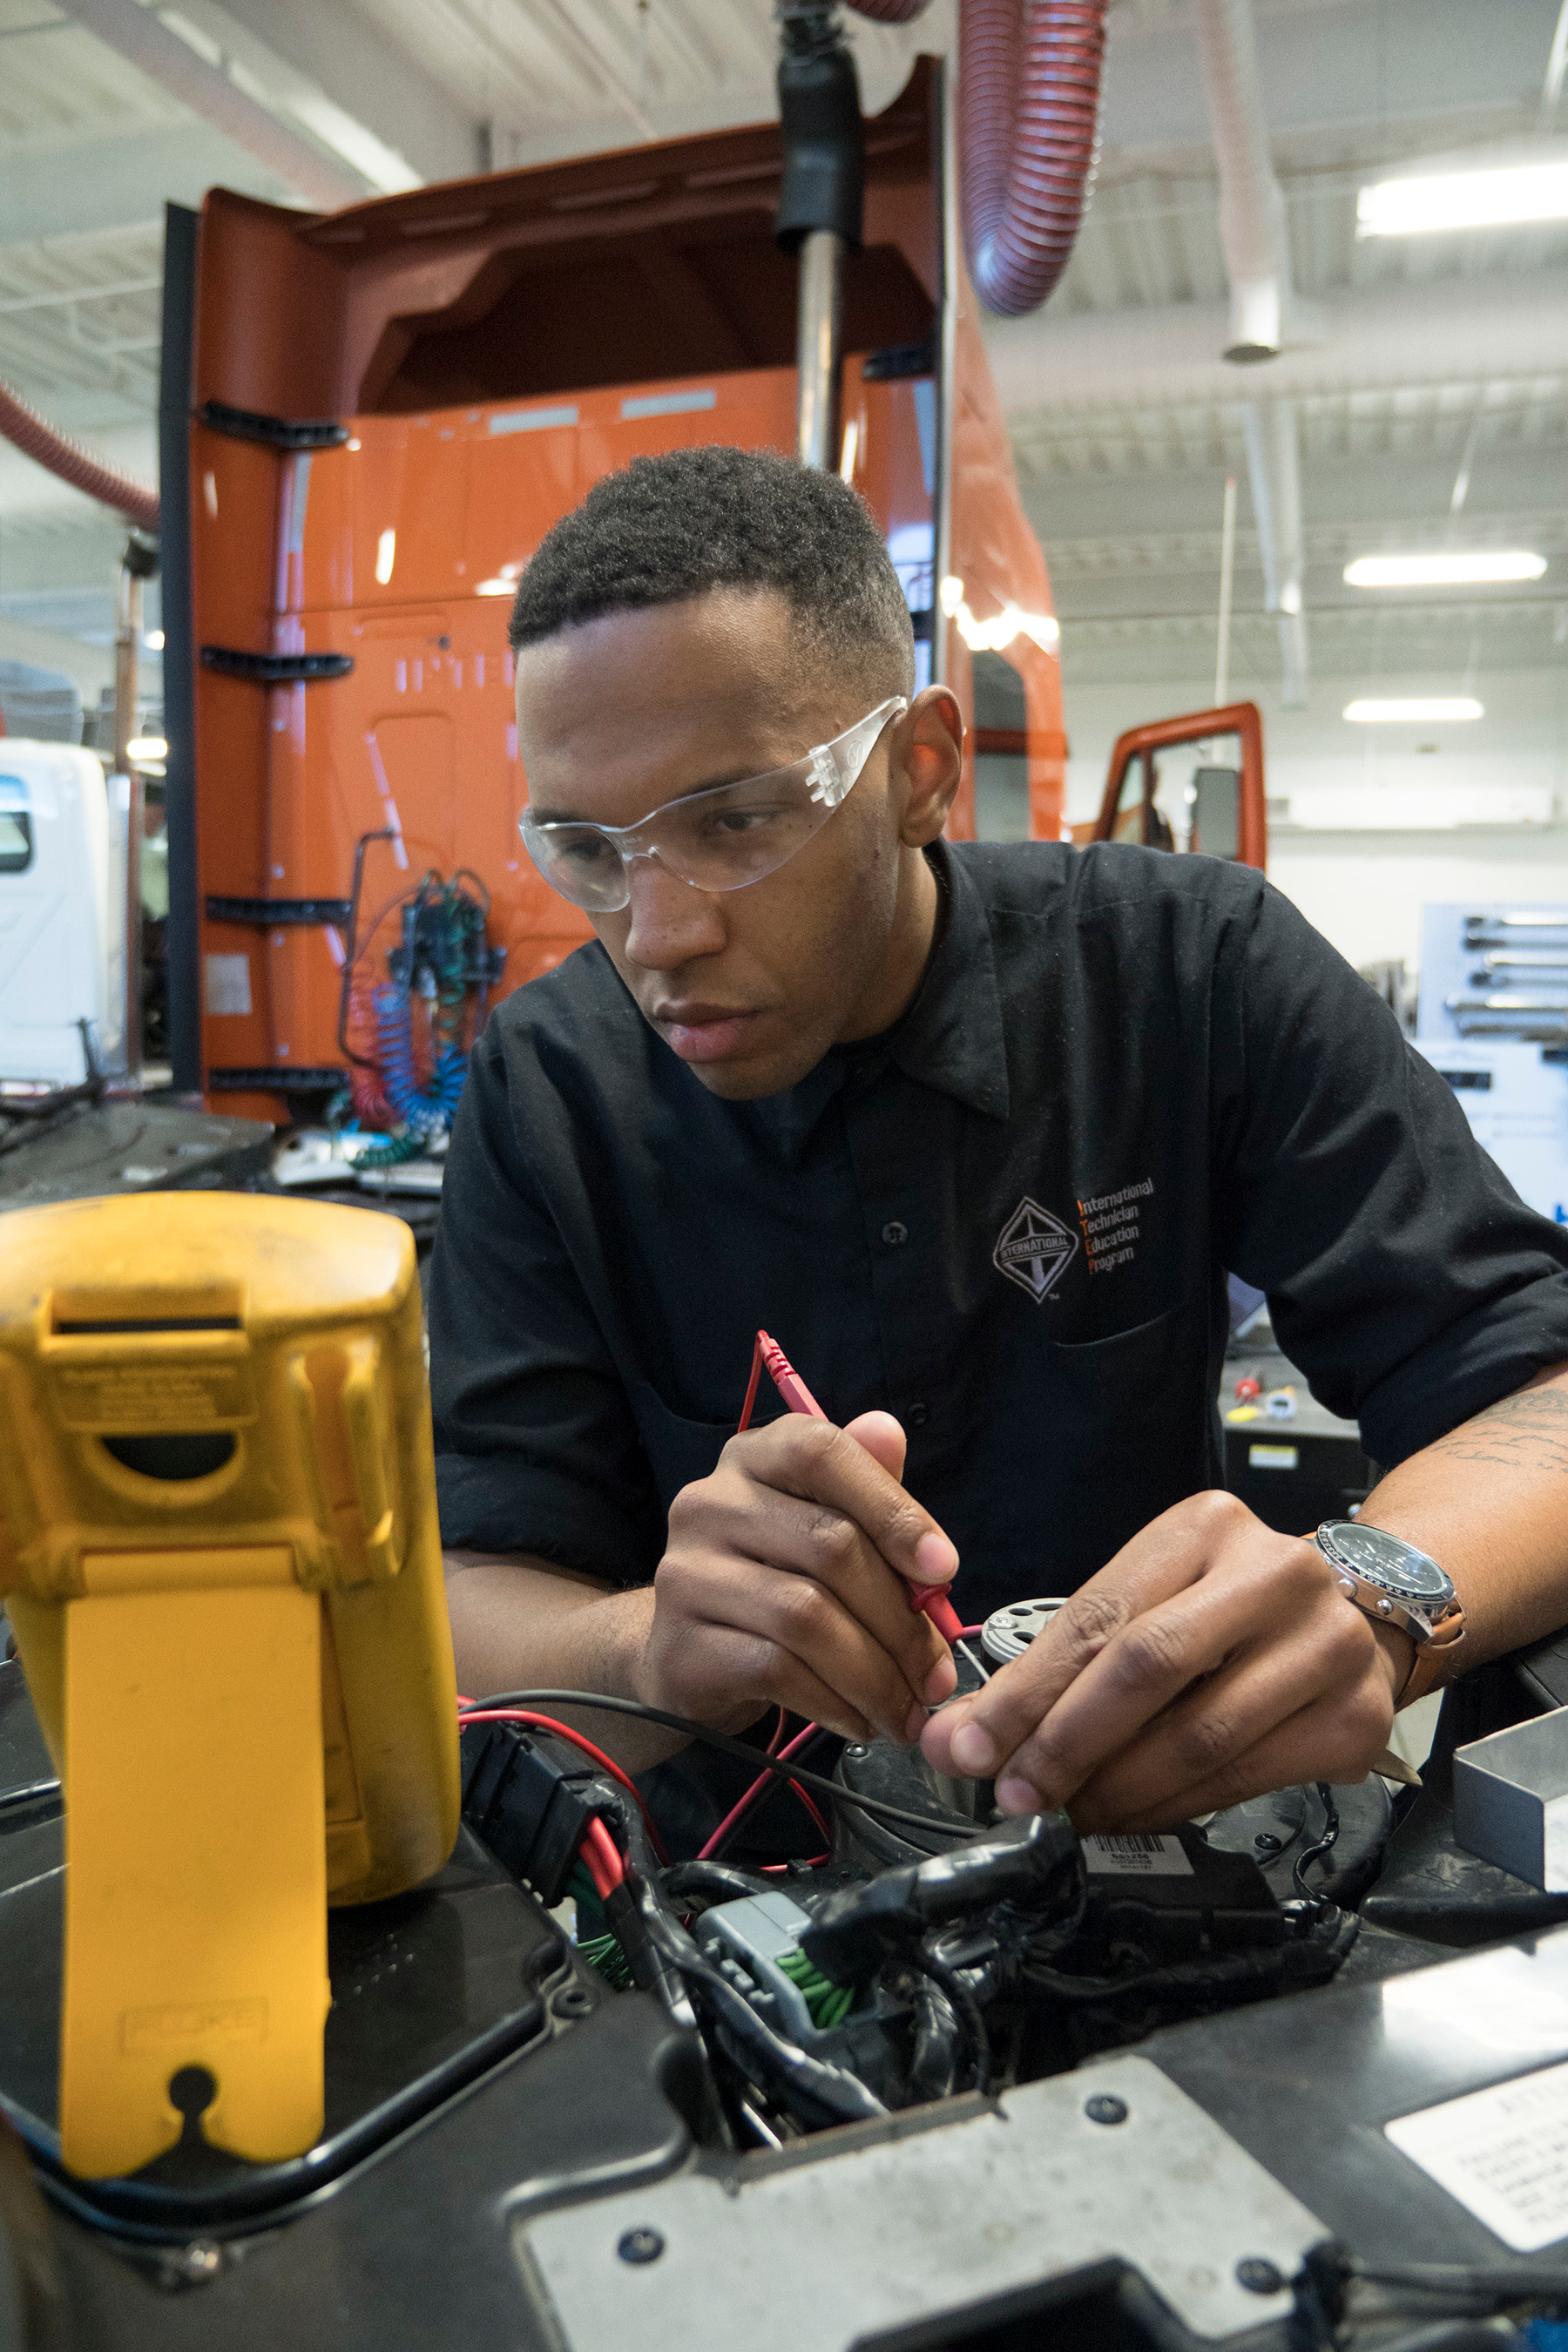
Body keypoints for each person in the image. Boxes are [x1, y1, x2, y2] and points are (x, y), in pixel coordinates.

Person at [429, 444, 1568, 1847]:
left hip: (1162, 1855)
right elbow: (471, 1589)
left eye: (732, 822)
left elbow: (1537, 1393)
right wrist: (648, 1651)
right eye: (591, 850)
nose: (658, 936)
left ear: (918, 771)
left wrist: (1373, 1595)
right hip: (731, 1914)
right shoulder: (549, 1087)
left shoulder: (1187, 970)